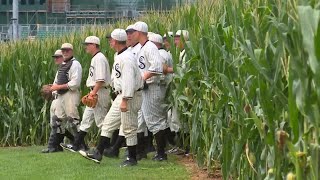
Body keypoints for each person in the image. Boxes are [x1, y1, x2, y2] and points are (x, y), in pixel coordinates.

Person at [79, 29, 143, 167]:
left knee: (129, 127)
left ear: (116, 41)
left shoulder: (126, 58)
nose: (109, 42)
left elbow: (128, 81)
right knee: (107, 123)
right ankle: (98, 153)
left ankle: (132, 158)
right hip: (121, 95)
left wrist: (125, 100)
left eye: (111, 40)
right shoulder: (120, 55)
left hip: (130, 96)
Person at [61, 36, 111, 152]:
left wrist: (93, 93)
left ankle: (109, 147)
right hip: (95, 91)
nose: (86, 47)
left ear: (94, 45)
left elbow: (100, 80)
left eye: (88, 44)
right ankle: (76, 145)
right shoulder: (96, 58)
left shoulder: (99, 58)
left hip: (99, 92)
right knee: (86, 121)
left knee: (101, 122)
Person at [131, 21, 170, 161]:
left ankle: (161, 154)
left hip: (153, 87)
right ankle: (156, 152)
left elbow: (157, 67)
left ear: (140, 32)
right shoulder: (142, 48)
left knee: (155, 121)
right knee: (147, 120)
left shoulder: (150, 47)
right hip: (146, 88)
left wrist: (143, 77)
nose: (131, 35)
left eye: (133, 32)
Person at [49, 43, 82, 152]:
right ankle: (54, 146)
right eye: (63, 50)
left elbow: (75, 83)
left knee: (73, 120)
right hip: (61, 94)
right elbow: (57, 81)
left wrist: (57, 87)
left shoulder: (75, 64)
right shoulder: (63, 65)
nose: (65, 52)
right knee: (57, 120)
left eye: (67, 50)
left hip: (70, 93)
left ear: (72, 51)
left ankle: (81, 144)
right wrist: (53, 89)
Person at [41, 49, 75, 153]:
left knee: (58, 124)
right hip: (56, 98)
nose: (56, 59)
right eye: (55, 57)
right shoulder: (60, 69)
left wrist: (54, 88)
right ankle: (58, 145)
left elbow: (68, 85)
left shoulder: (68, 68)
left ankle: (54, 146)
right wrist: (51, 88)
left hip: (62, 98)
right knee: (56, 125)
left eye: (57, 57)